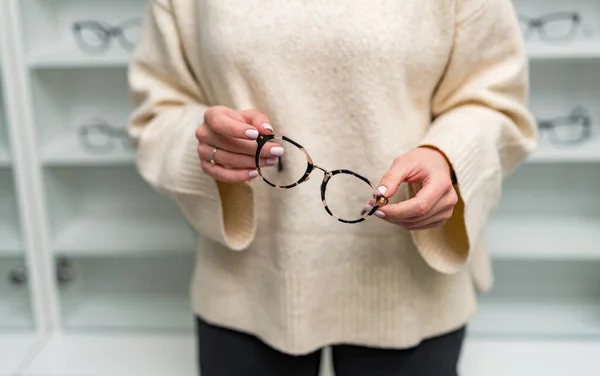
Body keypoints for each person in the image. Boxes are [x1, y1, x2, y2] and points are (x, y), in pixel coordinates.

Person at [127, 0, 537, 375]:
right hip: (245, 290)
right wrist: (203, 145)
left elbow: (494, 98)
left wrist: (448, 159)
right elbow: (158, 111)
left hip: (410, 287)